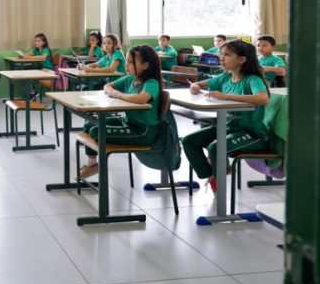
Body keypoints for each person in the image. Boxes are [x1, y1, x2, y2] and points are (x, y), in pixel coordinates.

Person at [181, 40, 270, 192]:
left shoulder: (252, 79)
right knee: (189, 141)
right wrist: (194, 86)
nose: (221, 58)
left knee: (216, 147)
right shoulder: (226, 76)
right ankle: (212, 176)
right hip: (228, 128)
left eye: (227, 55)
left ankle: (220, 181)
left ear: (242, 59)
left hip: (252, 133)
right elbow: (200, 84)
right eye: (221, 54)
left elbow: (263, 98)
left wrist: (226, 96)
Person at [78, 45, 164, 179]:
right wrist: (112, 91)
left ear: (145, 65)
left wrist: (118, 95)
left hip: (143, 131)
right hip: (129, 122)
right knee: (90, 124)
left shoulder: (151, 82)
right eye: (127, 61)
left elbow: (142, 98)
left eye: (130, 62)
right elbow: (108, 85)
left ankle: (94, 165)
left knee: (96, 131)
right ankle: (92, 164)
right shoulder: (130, 78)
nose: (126, 65)